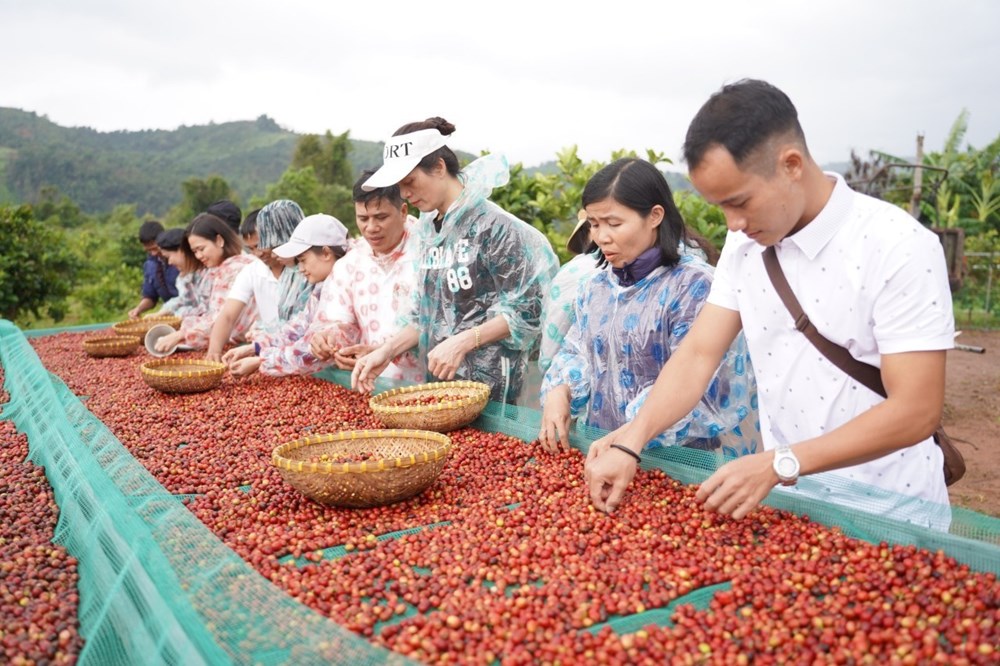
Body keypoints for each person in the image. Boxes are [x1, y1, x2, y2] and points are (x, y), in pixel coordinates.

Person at [585, 79, 954, 531]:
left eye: (739, 202)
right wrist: (632, 441)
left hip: (891, 512)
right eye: (720, 207)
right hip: (791, 507)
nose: (733, 224)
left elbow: (917, 409)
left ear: (791, 165)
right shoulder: (745, 247)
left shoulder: (897, 246)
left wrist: (781, 462)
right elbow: (700, 354)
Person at [539, 158, 757, 457]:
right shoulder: (597, 286)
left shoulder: (695, 286)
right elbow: (577, 351)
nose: (601, 237)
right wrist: (559, 390)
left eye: (614, 223)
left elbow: (709, 387)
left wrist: (633, 436)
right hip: (603, 450)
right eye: (594, 224)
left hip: (678, 460)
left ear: (654, 216)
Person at [351, 117, 559, 402]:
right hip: (442, 384)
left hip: (496, 388)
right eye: (399, 185)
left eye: (410, 181)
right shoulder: (427, 231)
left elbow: (529, 311)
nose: (406, 194)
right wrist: (385, 351)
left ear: (438, 167)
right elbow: (424, 315)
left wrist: (464, 341)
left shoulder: (495, 228)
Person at [309, 172, 423, 383]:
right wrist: (329, 338)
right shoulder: (350, 264)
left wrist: (387, 350)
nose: (371, 228)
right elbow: (338, 319)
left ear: (403, 211)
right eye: (363, 219)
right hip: (375, 386)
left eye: (381, 217)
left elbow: (439, 322)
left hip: (431, 387)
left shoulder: (427, 251)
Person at [223, 214, 350, 377]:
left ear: (326, 253)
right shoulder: (322, 285)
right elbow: (298, 328)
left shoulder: (342, 285)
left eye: (303, 260)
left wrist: (261, 361)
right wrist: (255, 347)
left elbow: (314, 350)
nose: (301, 268)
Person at [205, 200, 313, 362]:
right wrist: (215, 351)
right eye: (252, 249)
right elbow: (228, 315)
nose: (259, 253)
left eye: (262, 245)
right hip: (282, 353)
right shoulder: (254, 271)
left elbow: (307, 330)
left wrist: (261, 357)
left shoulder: (309, 271)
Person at [153, 213, 257, 353]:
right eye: (195, 251)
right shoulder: (235, 263)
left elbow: (221, 318)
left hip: (248, 344)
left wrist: (181, 334)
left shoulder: (232, 269)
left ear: (219, 240)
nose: (198, 256)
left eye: (201, 249)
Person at [128, 220, 179, 319]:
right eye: (149, 250)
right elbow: (150, 296)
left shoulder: (180, 259)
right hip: (169, 317)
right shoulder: (150, 264)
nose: (153, 253)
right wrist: (138, 309)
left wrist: (160, 314)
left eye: (155, 248)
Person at [153, 227, 208, 318]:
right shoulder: (185, 277)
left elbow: (204, 310)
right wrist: (163, 312)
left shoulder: (207, 274)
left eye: (168, 257)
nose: (169, 262)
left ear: (183, 251)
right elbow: (184, 300)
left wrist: (176, 314)